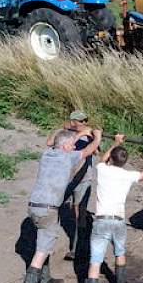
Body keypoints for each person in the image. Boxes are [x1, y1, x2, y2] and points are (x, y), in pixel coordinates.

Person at [74, 134, 143, 283]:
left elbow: (103, 158)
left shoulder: (102, 169)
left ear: (111, 159)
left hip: (101, 221)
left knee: (95, 262)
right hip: (118, 221)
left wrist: (116, 142)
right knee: (119, 253)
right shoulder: (129, 175)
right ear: (125, 161)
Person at [15, 127, 102, 283]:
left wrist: (75, 134)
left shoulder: (47, 154)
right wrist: (96, 136)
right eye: (71, 144)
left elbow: (55, 141)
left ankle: (45, 279)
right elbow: (89, 149)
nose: (73, 147)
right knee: (42, 251)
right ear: (65, 146)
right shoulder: (67, 157)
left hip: (33, 206)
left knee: (42, 242)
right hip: (49, 209)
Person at [47, 110, 96, 261]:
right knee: (58, 207)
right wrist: (61, 130)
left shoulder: (89, 135)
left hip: (83, 179)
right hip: (68, 178)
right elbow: (49, 143)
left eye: (84, 121)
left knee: (78, 211)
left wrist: (91, 135)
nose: (83, 124)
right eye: (80, 121)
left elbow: (97, 150)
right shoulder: (68, 134)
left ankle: (76, 247)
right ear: (73, 122)